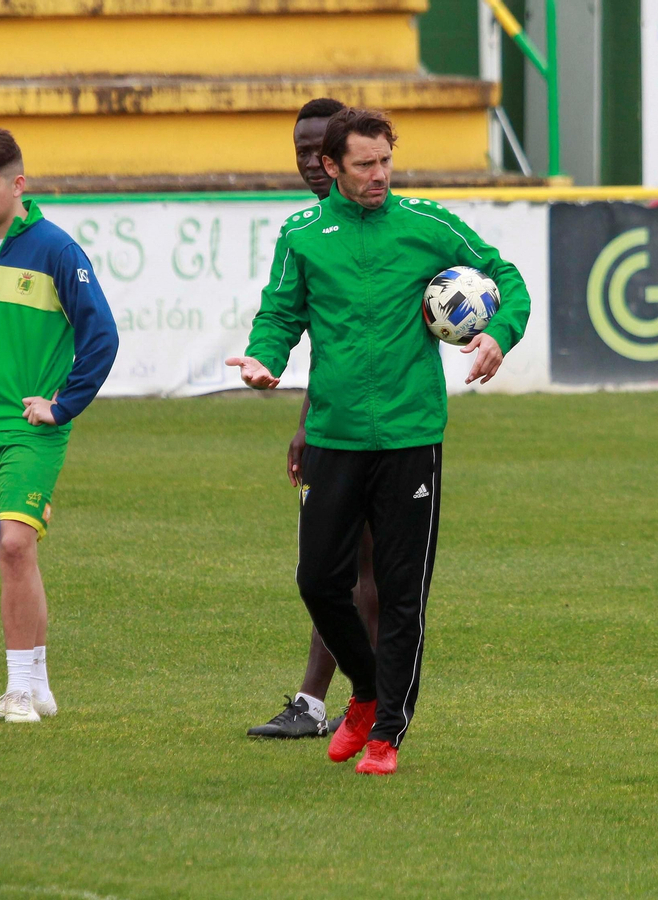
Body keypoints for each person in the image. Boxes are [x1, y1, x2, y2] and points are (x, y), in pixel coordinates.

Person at [228, 107, 531, 775]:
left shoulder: (428, 225)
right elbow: (279, 313)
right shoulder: (303, 235)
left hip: (409, 434)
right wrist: (262, 358)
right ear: (331, 167)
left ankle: (387, 732)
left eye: (386, 161)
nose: (379, 175)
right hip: (334, 434)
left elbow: (506, 278)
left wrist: (497, 334)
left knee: (400, 591)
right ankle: (364, 691)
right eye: (364, 164)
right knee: (318, 581)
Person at [0, 128, 119, 724]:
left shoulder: (57, 250)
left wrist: (62, 405)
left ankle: (17, 690)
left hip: (30, 429)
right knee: (13, 554)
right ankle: (36, 689)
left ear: (18, 185)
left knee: (14, 545)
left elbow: (102, 335)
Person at [248, 97, 383, 740]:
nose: (308, 161)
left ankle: (345, 702)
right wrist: (307, 420)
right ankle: (350, 699)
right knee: (333, 569)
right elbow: (326, 341)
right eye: (299, 151)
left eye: (317, 150)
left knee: (357, 567)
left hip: (387, 428)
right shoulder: (307, 232)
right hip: (332, 420)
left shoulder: (393, 223)